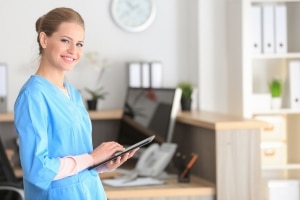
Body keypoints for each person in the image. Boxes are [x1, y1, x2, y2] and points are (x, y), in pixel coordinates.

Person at [14, 7, 137, 200]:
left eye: (79, 44)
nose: (74, 51)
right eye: (65, 41)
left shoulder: (73, 94)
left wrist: (102, 164)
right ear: (44, 39)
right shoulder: (33, 96)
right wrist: (92, 158)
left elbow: (76, 159)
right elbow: (37, 170)